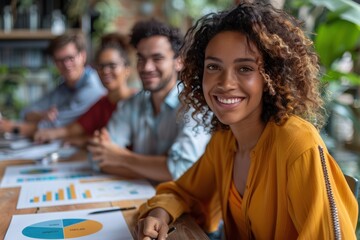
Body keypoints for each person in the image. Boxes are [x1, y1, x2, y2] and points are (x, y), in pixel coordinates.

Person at [135, 2, 358, 239]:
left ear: (270, 77)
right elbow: (184, 192)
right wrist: (160, 213)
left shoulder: (298, 145)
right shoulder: (225, 140)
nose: (225, 83)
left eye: (244, 68)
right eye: (213, 66)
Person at [87, 19, 211, 182]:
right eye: (141, 59)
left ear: (179, 61)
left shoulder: (195, 106)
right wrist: (160, 168)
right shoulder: (131, 104)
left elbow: (181, 169)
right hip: (135, 198)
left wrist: (121, 157)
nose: (146, 67)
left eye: (157, 58)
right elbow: (97, 157)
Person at [33, 32, 137, 146]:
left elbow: (114, 141)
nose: (106, 71)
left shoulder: (138, 102)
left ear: (127, 69)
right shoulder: (102, 103)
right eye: (101, 66)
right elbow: (73, 129)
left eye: (112, 65)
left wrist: (86, 140)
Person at [0, 31, 105, 137]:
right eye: (60, 60)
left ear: (83, 56)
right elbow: (25, 112)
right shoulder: (64, 86)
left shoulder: (93, 87)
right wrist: (41, 115)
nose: (66, 65)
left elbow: (53, 126)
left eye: (70, 58)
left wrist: (10, 127)